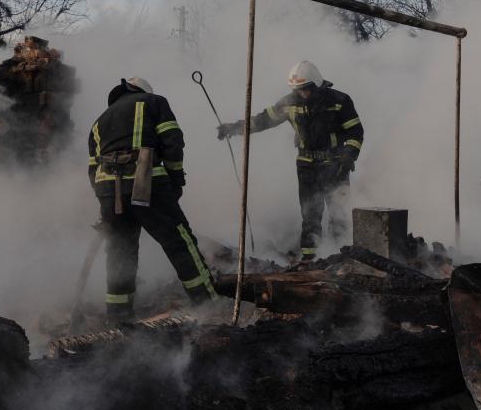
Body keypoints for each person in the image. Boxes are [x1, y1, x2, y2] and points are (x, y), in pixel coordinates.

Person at [88, 76, 218, 323]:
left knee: (120, 252)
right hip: (145, 183)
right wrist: (175, 180)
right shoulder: (153, 102)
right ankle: (208, 305)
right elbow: (172, 141)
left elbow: (93, 168)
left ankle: (118, 318)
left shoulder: (99, 121)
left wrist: (105, 203)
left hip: (108, 191)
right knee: (179, 241)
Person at [217, 61, 363, 261]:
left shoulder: (340, 101)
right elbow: (262, 120)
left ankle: (342, 260)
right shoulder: (290, 102)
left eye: (305, 89)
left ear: (316, 84)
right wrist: (234, 128)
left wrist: (348, 155)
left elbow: (356, 132)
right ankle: (310, 260)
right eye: (298, 89)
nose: (302, 93)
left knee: (339, 215)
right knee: (310, 216)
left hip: (335, 165)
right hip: (306, 166)